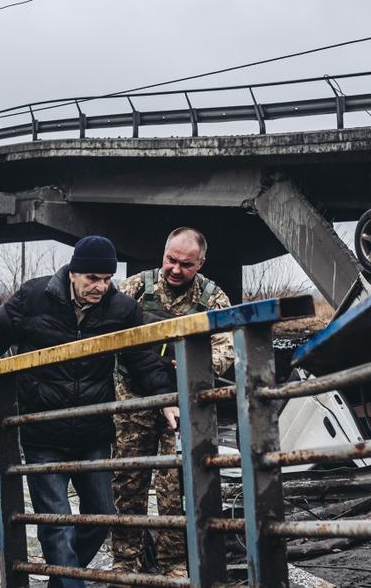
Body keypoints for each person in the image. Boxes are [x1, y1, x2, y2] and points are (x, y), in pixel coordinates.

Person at [0, 235, 178, 587]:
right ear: (73, 273)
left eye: (106, 279)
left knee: (102, 517)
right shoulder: (35, 296)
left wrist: (166, 397)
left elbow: (144, 358)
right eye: (92, 278)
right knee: (56, 524)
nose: (100, 287)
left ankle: (60, 581)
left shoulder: (120, 309)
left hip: (93, 432)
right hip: (42, 431)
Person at [112, 227, 235, 578]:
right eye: (170, 260)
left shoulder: (212, 296)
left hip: (183, 405)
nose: (176, 270)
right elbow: (107, 329)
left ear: (201, 263)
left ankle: (174, 566)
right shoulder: (135, 288)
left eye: (186, 264)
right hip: (132, 400)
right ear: (163, 253)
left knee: (175, 488)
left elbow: (227, 345)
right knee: (128, 484)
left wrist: (195, 363)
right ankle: (125, 564)